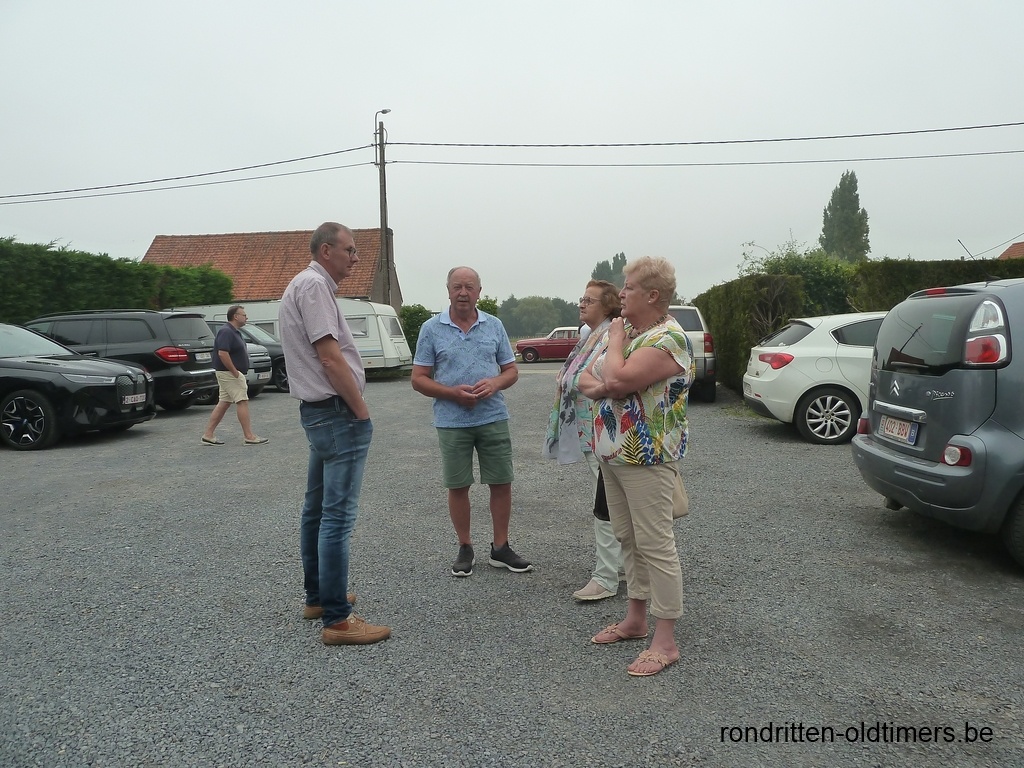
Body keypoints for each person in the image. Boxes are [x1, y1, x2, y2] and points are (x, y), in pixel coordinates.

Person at [578, 256, 692, 677]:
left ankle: (666, 641)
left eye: (628, 287)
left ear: (653, 295)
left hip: (647, 456)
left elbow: (618, 380)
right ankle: (635, 619)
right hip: (613, 454)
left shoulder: (668, 339)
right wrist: (608, 381)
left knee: (655, 544)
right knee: (627, 537)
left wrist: (613, 347)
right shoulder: (633, 333)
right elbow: (584, 379)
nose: (621, 293)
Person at [278, 222, 390, 646]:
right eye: (350, 250)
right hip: (336, 413)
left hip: (321, 413)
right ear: (326, 251)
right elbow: (329, 357)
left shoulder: (305, 285)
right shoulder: (314, 287)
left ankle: (320, 598)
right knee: (337, 517)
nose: (355, 258)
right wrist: (360, 409)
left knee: (317, 509)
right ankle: (339, 620)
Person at [411, 266, 532, 577]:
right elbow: (418, 379)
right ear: (448, 291)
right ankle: (465, 546)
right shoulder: (431, 329)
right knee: (458, 485)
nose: (463, 293)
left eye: (469, 287)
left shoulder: (494, 325)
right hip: (451, 421)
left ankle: (500, 547)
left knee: (501, 482)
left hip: (492, 417)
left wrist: (495, 383)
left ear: (479, 291)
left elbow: (511, 371)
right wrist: (451, 393)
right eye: (457, 287)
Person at [543, 280, 623, 601]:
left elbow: (588, 377)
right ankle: (620, 567)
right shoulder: (589, 335)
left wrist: (573, 379)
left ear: (607, 305)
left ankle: (606, 576)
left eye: (589, 300)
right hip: (589, 431)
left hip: (601, 432)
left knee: (606, 504)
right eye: (582, 299)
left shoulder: (609, 336)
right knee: (608, 500)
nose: (581, 304)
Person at [200, 305, 268, 446]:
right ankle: (249, 436)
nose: (246, 317)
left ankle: (208, 435)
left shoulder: (234, 332)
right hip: (229, 373)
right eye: (244, 315)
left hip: (228, 373)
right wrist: (235, 372)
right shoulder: (226, 331)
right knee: (242, 401)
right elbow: (222, 353)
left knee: (224, 402)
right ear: (235, 316)